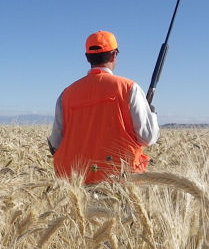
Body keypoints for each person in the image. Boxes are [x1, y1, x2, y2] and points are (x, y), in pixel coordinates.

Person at [48, 30, 159, 184]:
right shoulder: (129, 88)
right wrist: (151, 115)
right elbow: (147, 137)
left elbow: (56, 143)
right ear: (114, 55)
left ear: (87, 57)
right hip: (121, 183)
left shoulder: (66, 95)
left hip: (77, 183)